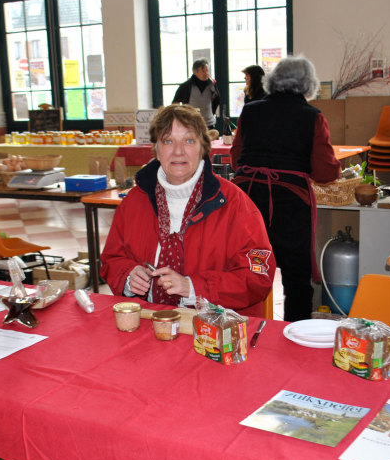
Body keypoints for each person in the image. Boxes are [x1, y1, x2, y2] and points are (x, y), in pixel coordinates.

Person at [101, 104, 275, 318]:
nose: (178, 151)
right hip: (148, 324)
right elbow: (112, 258)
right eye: (167, 141)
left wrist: (192, 287)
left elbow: (259, 274)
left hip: (217, 330)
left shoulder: (235, 203)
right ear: (156, 149)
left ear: (203, 148)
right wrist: (128, 276)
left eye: (189, 140)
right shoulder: (134, 201)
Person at [231, 55, 341, 321]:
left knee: (243, 269)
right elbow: (326, 172)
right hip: (291, 205)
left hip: (247, 201)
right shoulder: (312, 117)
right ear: (308, 85)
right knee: (296, 278)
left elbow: (236, 159)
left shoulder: (250, 110)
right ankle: (295, 335)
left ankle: (238, 328)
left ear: (272, 82)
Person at [172, 59, 220, 129]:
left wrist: (212, 113)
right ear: (195, 72)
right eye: (203, 71)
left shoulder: (212, 85)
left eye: (207, 70)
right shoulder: (186, 86)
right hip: (191, 124)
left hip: (209, 124)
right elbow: (175, 104)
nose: (206, 73)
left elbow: (217, 100)